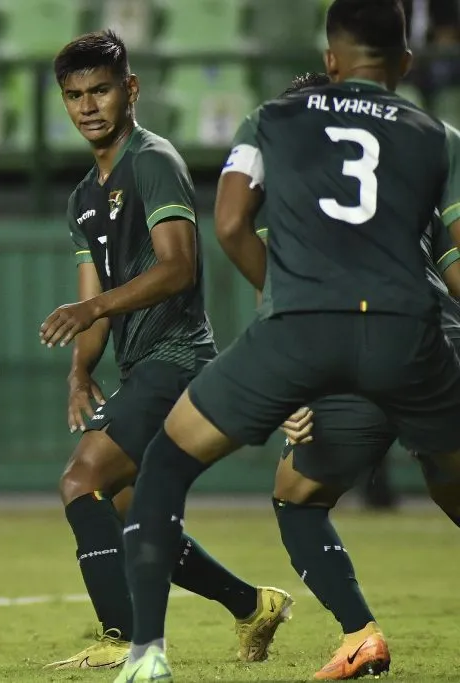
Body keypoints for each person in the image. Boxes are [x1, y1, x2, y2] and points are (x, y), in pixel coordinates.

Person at [115, 2, 460, 680]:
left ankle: (148, 654)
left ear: (330, 63)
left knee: (172, 465)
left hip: (303, 331)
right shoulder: (437, 136)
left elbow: (231, 222)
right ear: (406, 65)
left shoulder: (273, 119)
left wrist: (288, 316)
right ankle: (359, 635)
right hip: (412, 337)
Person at [39, 30, 291, 671]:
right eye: (74, 95)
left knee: (80, 481)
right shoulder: (81, 199)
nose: (88, 106)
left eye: (100, 90)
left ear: (131, 90)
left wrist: (92, 309)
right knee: (126, 509)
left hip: (178, 359)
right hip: (142, 364)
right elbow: (91, 295)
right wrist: (78, 369)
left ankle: (121, 637)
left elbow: (178, 268)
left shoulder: (153, 161)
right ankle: (251, 603)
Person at [267, 69, 460, 682]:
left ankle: (361, 635)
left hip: (359, 358)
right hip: (437, 348)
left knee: (296, 497)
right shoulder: (406, 173)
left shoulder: (294, 193)